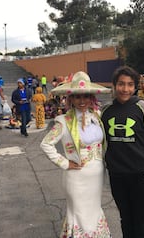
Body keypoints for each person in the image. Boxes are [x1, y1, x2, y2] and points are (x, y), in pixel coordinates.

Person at [40, 71, 111, 237]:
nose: (82, 101)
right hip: (77, 178)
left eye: (86, 96)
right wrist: (65, 163)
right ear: (70, 98)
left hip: (97, 176)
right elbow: (46, 144)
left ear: (91, 97)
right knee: (79, 215)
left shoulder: (97, 117)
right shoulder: (64, 121)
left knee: (93, 211)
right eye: (77, 97)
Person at [101, 66, 144, 238]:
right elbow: (98, 143)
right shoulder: (106, 112)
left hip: (141, 176)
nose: (125, 89)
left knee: (142, 222)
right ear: (114, 85)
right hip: (117, 176)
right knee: (126, 219)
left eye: (130, 85)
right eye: (121, 84)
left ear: (135, 86)